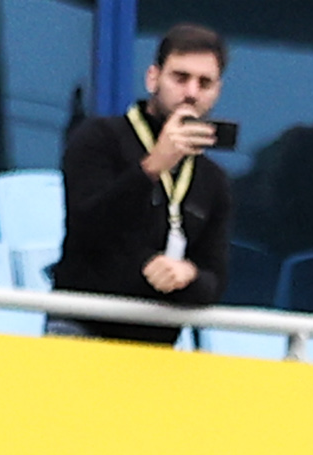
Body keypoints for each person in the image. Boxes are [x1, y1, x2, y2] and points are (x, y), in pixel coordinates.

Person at [52, 24, 232, 338]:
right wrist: (152, 167)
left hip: (156, 346)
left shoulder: (213, 180)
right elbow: (87, 229)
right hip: (82, 328)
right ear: (153, 78)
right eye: (180, 77)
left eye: (204, 83)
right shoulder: (98, 138)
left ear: (216, 92)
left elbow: (215, 279)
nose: (191, 92)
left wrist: (188, 276)